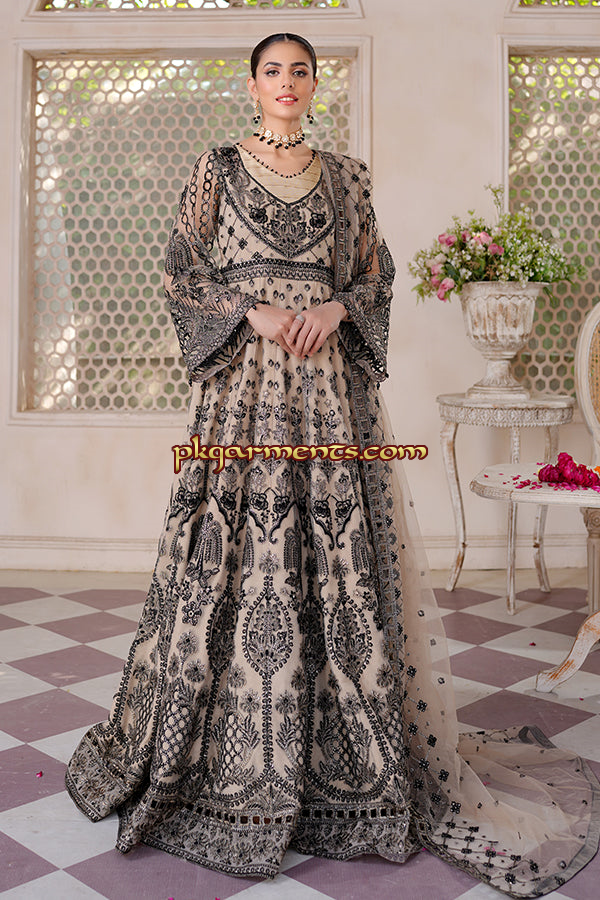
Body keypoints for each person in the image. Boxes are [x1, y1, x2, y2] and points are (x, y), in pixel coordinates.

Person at [65, 33, 600, 896]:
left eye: (301, 71)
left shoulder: (347, 179)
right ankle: (218, 753)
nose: (287, 83)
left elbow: (375, 279)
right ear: (252, 85)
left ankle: (342, 757)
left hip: (327, 399)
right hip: (244, 399)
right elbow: (181, 271)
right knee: (235, 563)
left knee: (334, 566)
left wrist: (335, 308)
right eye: (273, 71)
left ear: (316, 84)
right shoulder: (215, 169)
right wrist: (254, 311)